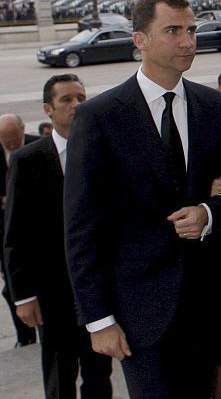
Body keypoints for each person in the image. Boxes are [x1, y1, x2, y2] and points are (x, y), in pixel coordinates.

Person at [63, 0, 221, 399]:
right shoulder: (101, 116)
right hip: (139, 314)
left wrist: (207, 212)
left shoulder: (214, 107)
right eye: (173, 31)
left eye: (192, 30)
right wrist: (98, 319)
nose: (188, 41)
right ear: (140, 39)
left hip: (206, 306)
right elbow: (81, 226)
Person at [4, 74, 114, 399]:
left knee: (99, 377)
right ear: (48, 109)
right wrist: (21, 295)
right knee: (59, 377)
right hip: (52, 295)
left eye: (80, 96)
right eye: (66, 99)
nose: (76, 104)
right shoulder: (28, 160)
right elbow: (15, 233)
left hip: (97, 290)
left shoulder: (104, 152)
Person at [0, 113, 38, 349]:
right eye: (6, 142)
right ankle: (25, 337)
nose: (12, 145)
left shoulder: (37, 147)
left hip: (35, 231)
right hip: (5, 234)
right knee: (11, 289)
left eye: (15, 139)